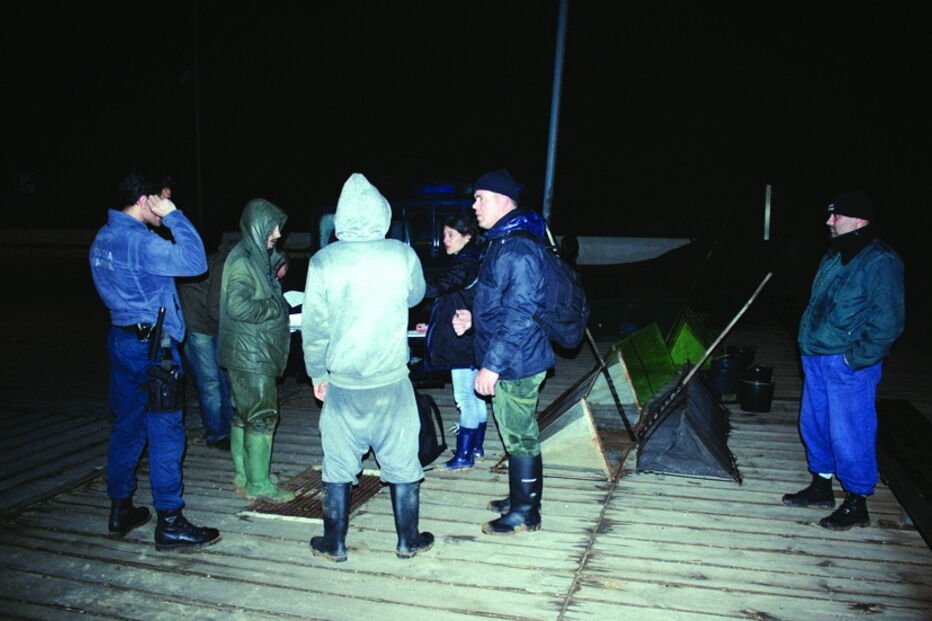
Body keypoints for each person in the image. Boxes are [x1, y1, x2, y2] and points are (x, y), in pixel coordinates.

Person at [302, 173, 432, 562]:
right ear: (382, 213)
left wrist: (317, 374)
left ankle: (334, 543)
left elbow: (314, 326)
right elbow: (417, 296)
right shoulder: (401, 254)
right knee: (402, 461)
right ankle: (408, 540)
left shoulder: (323, 260)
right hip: (391, 381)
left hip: (342, 385)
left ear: (341, 218)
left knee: (338, 464)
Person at [89, 171, 221, 551]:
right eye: (162, 200)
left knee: (127, 425)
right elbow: (195, 262)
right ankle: (170, 522)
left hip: (122, 340)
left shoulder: (103, 237)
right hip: (154, 349)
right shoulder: (141, 242)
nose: (164, 209)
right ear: (146, 200)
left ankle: (121, 507)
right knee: (165, 432)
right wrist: (176, 216)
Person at [783, 190, 905, 530]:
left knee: (850, 432)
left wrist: (855, 360)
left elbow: (888, 322)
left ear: (859, 221)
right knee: (815, 424)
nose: (829, 221)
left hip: (847, 364)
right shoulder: (835, 255)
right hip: (816, 357)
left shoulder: (881, 260)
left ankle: (856, 500)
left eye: (836, 216)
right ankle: (821, 486)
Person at [452, 168, 553, 536]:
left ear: (502, 200)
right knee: (513, 430)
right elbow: (500, 304)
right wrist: (474, 320)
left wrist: (491, 366)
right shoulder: (502, 241)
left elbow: (520, 315)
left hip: (517, 360)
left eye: (481, 197)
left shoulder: (518, 248)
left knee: (519, 434)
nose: (474, 204)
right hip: (513, 355)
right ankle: (519, 497)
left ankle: (526, 512)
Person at [218, 198, 294, 503]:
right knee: (262, 416)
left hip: (246, 351)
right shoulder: (242, 262)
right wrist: (276, 307)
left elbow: (266, 268)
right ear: (257, 226)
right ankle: (259, 483)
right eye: (272, 228)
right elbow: (238, 306)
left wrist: (275, 261)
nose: (277, 234)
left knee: (243, 415)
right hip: (252, 354)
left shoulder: (252, 254)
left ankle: (244, 475)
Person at [415, 212, 487, 470]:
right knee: (477, 395)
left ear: (467, 236)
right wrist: (432, 324)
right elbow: (457, 302)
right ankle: (476, 447)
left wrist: (410, 286)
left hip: (462, 341)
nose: (444, 240)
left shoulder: (465, 263)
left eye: (450, 235)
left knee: (465, 398)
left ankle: (464, 456)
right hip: (471, 336)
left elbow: (442, 287)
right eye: (444, 234)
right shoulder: (473, 259)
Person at [177, 237, 236, 450]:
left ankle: (230, 429)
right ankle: (217, 434)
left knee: (224, 378)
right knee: (210, 382)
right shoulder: (225, 264)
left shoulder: (231, 260)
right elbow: (215, 307)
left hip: (211, 322)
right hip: (197, 325)